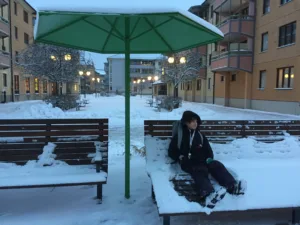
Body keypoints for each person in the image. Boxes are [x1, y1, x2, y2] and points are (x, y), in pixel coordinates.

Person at [168, 110, 246, 205]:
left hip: (202, 160)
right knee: (200, 170)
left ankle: (232, 187)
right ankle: (208, 193)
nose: (195, 123)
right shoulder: (180, 136)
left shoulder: (200, 135)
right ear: (186, 122)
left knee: (216, 164)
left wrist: (209, 158)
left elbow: (208, 150)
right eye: (192, 121)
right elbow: (171, 151)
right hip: (188, 162)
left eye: (196, 121)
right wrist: (180, 157)